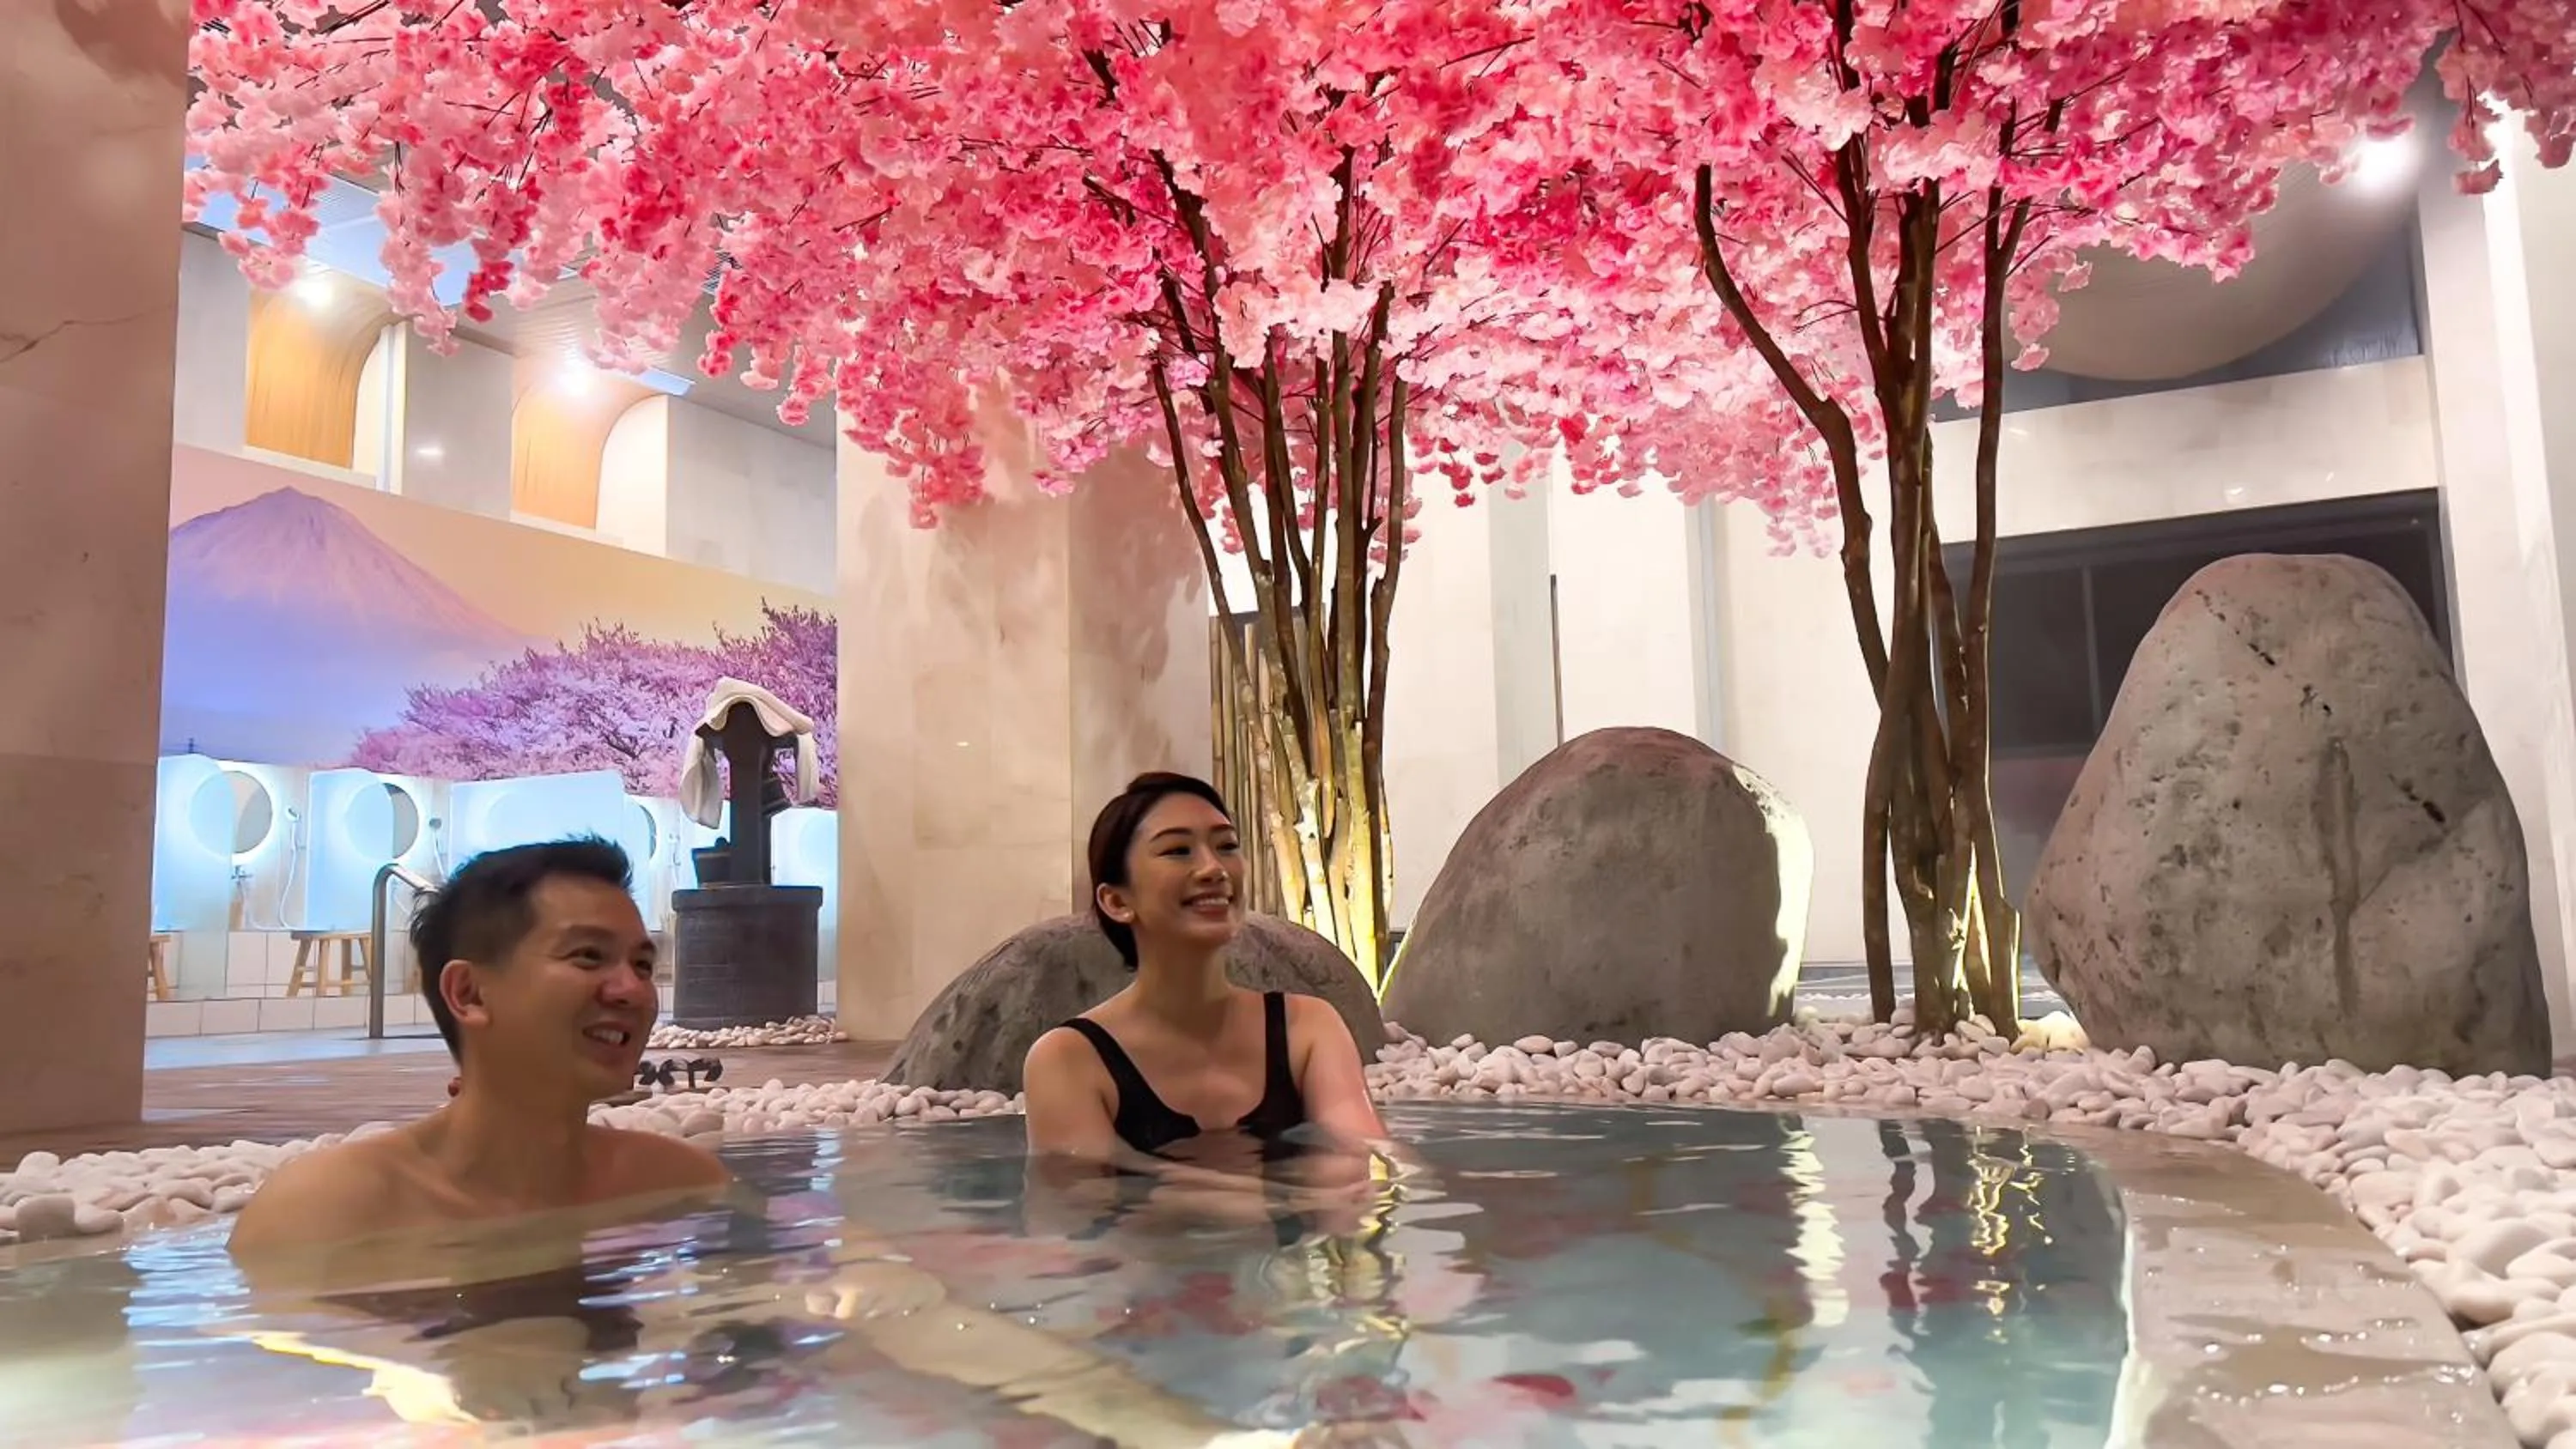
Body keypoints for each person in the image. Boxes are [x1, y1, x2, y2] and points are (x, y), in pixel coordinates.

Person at [229, 838, 729, 1262]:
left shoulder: (676, 1185)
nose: (632, 990)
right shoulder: (325, 1214)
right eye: (588, 956)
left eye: (642, 966)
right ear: (468, 994)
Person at [1022, 772, 1388, 1180]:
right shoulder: (1069, 1060)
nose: (1214, 868)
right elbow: (1078, 1208)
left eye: (1227, 846)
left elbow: (1365, 1157)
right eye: (1178, 851)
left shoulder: (1306, 1027)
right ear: (1117, 900)